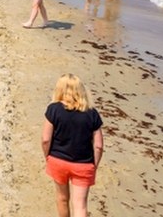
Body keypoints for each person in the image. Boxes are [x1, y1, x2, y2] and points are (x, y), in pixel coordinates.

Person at [42, 74, 104, 217]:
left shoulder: (53, 109)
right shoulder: (92, 114)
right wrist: (94, 165)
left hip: (58, 160)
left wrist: (47, 156)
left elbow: (46, 139)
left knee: (62, 199)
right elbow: (98, 146)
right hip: (83, 164)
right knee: (80, 206)